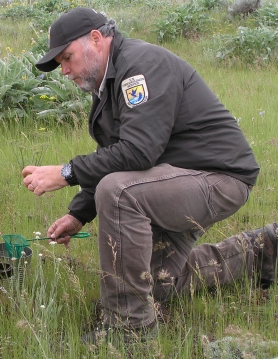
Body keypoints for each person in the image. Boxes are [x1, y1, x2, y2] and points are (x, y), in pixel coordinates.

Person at [22, 7, 277, 345]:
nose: (65, 71)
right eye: (60, 65)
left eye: (67, 58)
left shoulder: (140, 67)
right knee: (156, 283)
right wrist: (77, 214)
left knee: (119, 192)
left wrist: (67, 173)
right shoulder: (109, 83)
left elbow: (138, 153)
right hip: (175, 179)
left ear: (96, 39)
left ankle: (130, 331)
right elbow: (117, 157)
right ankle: (263, 248)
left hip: (219, 178)